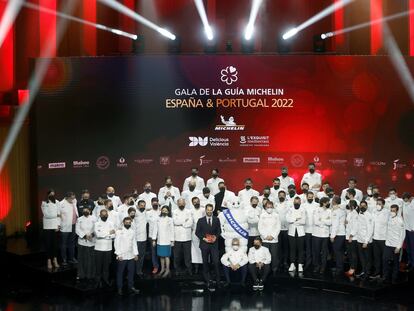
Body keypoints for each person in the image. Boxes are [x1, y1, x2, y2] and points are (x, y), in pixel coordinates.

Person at [195, 204, 222, 289]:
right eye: (208, 210)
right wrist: (203, 239)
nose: (209, 211)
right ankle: (208, 281)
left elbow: (219, 231)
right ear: (205, 210)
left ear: (213, 210)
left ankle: (218, 281)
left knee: (216, 262)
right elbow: (197, 232)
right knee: (205, 263)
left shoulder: (217, 219)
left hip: (214, 244)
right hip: (204, 244)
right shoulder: (200, 220)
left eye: (211, 210)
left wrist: (215, 237)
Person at [114, 217, 139, 295]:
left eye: (129, 222)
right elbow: (116, 244)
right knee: (120, 273)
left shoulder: (132, 231)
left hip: (131, 255)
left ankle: (131, 287)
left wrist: (136, 254)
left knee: (131, 272)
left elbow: (134, 243)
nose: (128, 224)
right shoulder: (119, 232)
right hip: (122, 256)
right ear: (123, 222)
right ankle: (120, 288)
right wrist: (118, 254)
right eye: (126, 222)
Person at [383, 205, 405, 284]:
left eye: (394, 210)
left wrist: (399, 247)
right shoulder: (388, 218)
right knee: (385, 260)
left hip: (396, 245)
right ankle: (385, 276)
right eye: (391, 210)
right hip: (388, 243)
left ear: (397, 211)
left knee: (395, 262)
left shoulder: (400, 220)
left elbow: (402, 234)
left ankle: (394, 278)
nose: (392, 212)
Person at [94, 209, 115, 288]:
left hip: (108, 248)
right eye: (103, 215)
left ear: (107, 215)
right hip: (98, 248)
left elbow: (114, 235)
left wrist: (106, 235)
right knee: (98, 265)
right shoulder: (96, 224)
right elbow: (98, 235)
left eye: (105, 215)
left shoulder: (111, 223)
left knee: (106, 266)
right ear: (100, 215)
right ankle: (97, 281)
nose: (104, 216)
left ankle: (106, 280)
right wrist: (109, 233)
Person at [258, 201, 281, 276]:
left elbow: (278, 227)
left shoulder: (276, 215)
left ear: (273, 207)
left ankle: (274, 269)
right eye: (268, 207)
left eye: (271, 207)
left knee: (274, 255)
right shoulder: (262, 215)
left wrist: (273, 236)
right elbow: (260, 227)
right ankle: (265, 270)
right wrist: (265, 236)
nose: (269, 208)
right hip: (265, 239)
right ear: (265, 207)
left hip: (274, 239)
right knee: (265, 255)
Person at [152, 205, 175, 278]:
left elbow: (172, 230)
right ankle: (162, 269)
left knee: (167, 256)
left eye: (166, 210)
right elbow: (155, 229)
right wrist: (154, 240)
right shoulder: (157, 219)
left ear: (168, 212)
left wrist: (172, 241)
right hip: (159, 241)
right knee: (161, 256)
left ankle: (167, 270)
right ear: (161, 210)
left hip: (167, 241)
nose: (164, 211)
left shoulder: (170, 219)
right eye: (163, 210)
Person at [75, 207, 96, 283]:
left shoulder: (94, 218)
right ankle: (81, 275)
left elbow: (96, 228)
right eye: (84, 210)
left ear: (90, 211)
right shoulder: (79, 219)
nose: (85, 211)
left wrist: (92, 235)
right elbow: (77, 230)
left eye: (87, 210)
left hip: (92, 241)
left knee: (91, 259)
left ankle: (90, 275)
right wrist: (84, 236)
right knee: (81, 259)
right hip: (82, 242)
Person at [173, 199, 193, 275]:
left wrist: (182, 223)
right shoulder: (174, 212)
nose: (181, 204)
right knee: (177, 255)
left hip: (187, 237)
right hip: (177, 237)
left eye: (182, 203)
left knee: (187, 255)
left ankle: (189, 269)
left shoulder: (189, 211)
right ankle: (177, 269)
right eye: (180, 203)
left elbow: (190, 223)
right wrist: (184, 221)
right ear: (177, 204)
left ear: (185, 203)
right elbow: (175, 222)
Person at [41, 189, 60, 270]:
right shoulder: (44, 203)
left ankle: (55, 259)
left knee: (55, 244)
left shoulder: (57, 202)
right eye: (51, 194)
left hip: (55, 226)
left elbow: (59, 215)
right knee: (48, 244)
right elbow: (46, 215)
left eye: (53, 194)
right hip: (47, 227)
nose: (52, 195)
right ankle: (48, 260)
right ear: (48, 195)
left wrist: (58, 225)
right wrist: (55, 215)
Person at [312, 197, 331, 274]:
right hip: (316, 234)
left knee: (324, 252)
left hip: (325, 235)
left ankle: (323, 267)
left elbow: (330, 222)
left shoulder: (330, 211)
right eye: (327, 202)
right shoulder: (316, 210)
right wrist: (325, 221)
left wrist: (322, 220)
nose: (329, 203)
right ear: (323, 203)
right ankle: (317, 266)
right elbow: (316, 222)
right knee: (316, 251)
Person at [286, 197, 306, 272]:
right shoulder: (290, 209)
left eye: (298, 202)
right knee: (292, 249)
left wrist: (293, 220)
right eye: (295, 202)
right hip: (291, 232)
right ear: (293, 202)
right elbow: (288, 219)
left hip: (301, 232)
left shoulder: (303, 210)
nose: (296, 203)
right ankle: (292, 264)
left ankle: (300, 264)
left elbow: (303, 221)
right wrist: (296, 219)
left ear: (300, 202)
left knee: (301, 249)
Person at [371, 198, 389, 278]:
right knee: (376, 257)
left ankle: (385, 274)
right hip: (375, 238)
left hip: (384, 238)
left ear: (383, 205)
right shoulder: (373, 211)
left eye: (380, 204)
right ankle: (377, 272)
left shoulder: (387, 212)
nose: (378, 205)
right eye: (377, 203)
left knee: (384, 258)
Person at [355, 200, 374, 279]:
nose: (362, 207)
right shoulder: (359, 213)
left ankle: (367, 272)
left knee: (367, 258)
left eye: (364, 205)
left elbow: (370, 229)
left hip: (366, 241)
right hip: (359, 240)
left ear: (366, 206)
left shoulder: (369, 215)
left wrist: (366, 241)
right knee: (361, 257)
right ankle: (363, 271)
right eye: (361, 205)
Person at [59, 191, 78, 265]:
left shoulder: (74, 201)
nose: (72, 200)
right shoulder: (61, 204)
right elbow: (59, 215)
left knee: (72, 243)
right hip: (65, 226)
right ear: (67, 197)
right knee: (64, 243)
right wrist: (59, 225)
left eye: (73, 198)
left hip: (73, 225)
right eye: (71, 198)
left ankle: (72, 258)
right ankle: (64, 259)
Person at [330, 196, 346, 275]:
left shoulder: (337, 211)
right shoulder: (338, 210)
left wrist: (332, 236)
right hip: (341, 234)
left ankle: (339, 268)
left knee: (337, 252)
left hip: (338, 234)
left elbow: (335, 225)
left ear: (335, 202)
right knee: (339, 252)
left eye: (332, 200)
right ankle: (339, 267)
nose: (331, 201)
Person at [303, 191, 318, 270]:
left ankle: (315, 264)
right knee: (308, 248)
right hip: (306, 230)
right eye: (309, 197)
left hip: (315, 231)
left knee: (315, 249)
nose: (310, 198)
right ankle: (308, 263)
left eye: (312, 197)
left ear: (313, 197)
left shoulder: (317, 205)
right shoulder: (303, 205)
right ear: (306, 197)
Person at [190, 196, 205, 274]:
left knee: (203, 249)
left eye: (197, 201)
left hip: (203, 233)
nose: (196, 203)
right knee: (195, 250)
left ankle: (204, 267)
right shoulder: (191, 211)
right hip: (194, 232)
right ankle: (196, 267)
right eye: (195, 202)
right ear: (192, 203)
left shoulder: (203, 210)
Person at [275, 190, 289, 271]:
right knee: (278, 247)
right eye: (280, 195)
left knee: (286, 247)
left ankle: (285, 262)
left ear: (285, 196)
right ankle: (279, 261)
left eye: (283, 195)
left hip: (286, 229)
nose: (281, 196)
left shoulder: (288, 204)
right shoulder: (275, 204)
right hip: (277, 229)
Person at [345, 200, 359, 277]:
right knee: (349, 253)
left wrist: (351, 235)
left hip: (352, 238)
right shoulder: (350, 213)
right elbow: (347, 222)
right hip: (347, 236)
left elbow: (355, 226)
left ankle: (353, 268)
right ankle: (351, 267)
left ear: (352, 206)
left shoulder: (355, 214)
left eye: (349, 204)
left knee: (353, 254)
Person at [133, 200, 148, 277]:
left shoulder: (146, 213)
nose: (142, 206)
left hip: (144, 238)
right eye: (141, 205)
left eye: (144, 205)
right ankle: (133, 271)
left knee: (142, 256)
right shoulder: (135, 213)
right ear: (138, 206)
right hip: (136, 239)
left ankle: (139, 271)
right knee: (134, 256)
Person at [146, 198, 161, 274]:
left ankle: (163, 267)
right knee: (154, 252)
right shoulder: (148, 213)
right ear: (151, 203)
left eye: (156, 202)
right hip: (152, 236)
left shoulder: (162, 211)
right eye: (153, 202)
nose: (155, 204)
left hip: (161, 235)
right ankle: (155, 266)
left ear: (158, 203)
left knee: (161, 252)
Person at [402, 193, 414, 270]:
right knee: (408, 248)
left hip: (412, 230)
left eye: (406, 199)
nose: (405, 201)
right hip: (406, 229)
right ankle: (409, 262)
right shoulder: (404, 205)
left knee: (413, 248)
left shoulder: (413, 204)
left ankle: (413, 264)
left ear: (410, 198)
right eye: (404, 200)